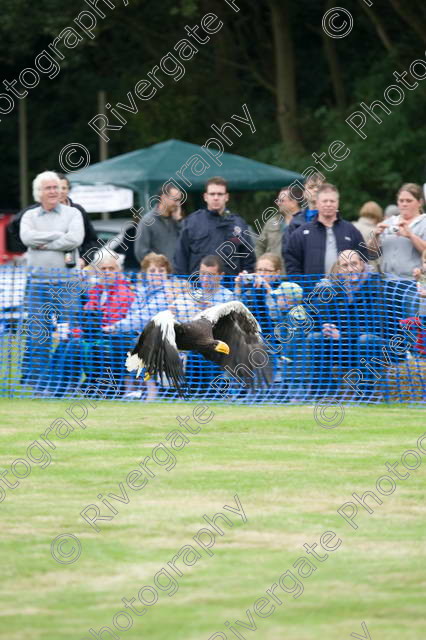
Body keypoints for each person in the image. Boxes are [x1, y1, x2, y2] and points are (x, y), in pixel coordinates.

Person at [19, 171, 84, 392]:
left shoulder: (73, 213)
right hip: (37, 284)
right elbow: (26, 237)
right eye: (49, 188)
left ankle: (68, 382)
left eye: (56, 187)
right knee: (39, 336)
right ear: (39, 192)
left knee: (70, 333)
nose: (54, 191)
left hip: (67, 283)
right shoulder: (29, 216)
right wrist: (58, 235)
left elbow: (76, 239)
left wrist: (44, 241)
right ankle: (40, 384)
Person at [307, 250, 393, 398]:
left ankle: (366, 392)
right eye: (345, 265)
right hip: (343, 345)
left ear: (362, 264)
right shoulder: (333, 288)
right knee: (314, 337)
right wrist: (326, 327)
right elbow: (316, 319)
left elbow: (377, 326)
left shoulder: (377, 286)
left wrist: (343, 334)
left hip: (374, 346)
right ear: (339, 269)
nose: (350, 269)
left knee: (366, 339)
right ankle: (323, 390)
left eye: (354, 264)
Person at [80, 250, 135, 397]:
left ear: (119, 271)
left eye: (111, 269)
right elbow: (86, 319)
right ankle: (61, 386)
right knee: (69, 344)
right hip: (96, 335)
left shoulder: (124, 293)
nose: (107, 272)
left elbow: (112, 321)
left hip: (118, 337)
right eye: (103, 269)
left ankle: (106, 387)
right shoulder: (93, 292)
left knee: (98, 346)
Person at [173, 176, 255, 276]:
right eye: (212, 194)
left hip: (230, 287)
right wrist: (183, 282)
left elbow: (249, 260)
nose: (216, 198)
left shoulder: (238, 224)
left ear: (226, 197)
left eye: (220, 194)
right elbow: (180, 257)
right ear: (205, 197)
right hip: (197, 287)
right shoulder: (191, 222)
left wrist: (244, 279)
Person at [284, 183, 366, 282]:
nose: (328, 204)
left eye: (332, 201)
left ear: (337, 203)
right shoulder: (301, 233)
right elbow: (292, 264)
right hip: (312, 294)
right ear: (317, 203)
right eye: (324, 201)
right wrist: (303, 289)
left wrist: (355, 288)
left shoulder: (350, 230)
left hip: (346, 293)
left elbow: (363, 260)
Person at [372, 183, 426, 280]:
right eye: (401, 201)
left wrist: (410, 236)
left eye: (409, 201)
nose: (404, 204)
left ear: (420, 202)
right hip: (387, 282)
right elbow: (372, 253)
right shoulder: (388, 222)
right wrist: (375, 236)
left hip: (414, 283)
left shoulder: (424, 222)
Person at [172, 255, 234, 323]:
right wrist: (175, 310)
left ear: (221, 276)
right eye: (202, 273)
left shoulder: (229, 297)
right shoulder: (192, 295)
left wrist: (212, 312)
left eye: (211, 275)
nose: (205, 279)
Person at [134, 185, 183, 265]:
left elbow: (186, 244)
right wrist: (159, 268)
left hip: (176, 274)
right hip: (157, 275)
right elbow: (141, 252)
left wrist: (179, 221)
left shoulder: (176, 221)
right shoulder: (147, 221)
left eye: (179, 200)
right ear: (163, 198)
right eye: (175, 200)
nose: (178, 204)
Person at [57, 173, 99, 264]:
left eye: (63, 188)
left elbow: (92, 241)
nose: (60, 191)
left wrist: (84, 259)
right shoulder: (38, 211)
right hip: (48, 266)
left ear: (68, 190)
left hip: (74, 266)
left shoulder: (78, 211)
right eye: (57, 188)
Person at [255, 184, 304, 260]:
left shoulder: (307, 221)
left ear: (294, 202)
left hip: (297, 270)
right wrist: (262, 266)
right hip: (273, 270)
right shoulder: (272, 222)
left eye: (282, 200)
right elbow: (259, 246)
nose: (278, 203)